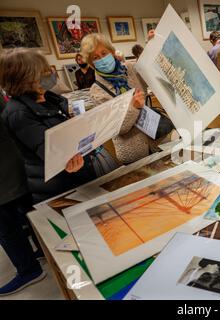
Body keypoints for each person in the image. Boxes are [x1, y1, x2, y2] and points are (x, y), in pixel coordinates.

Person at [0, 48, 99, 204]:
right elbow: (54, 153)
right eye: (42, 73)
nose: (49, 75)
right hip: (59, 190)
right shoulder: (18, 112)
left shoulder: (50, 97)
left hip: (81, 179)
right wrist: (68, 159)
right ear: (23, 79)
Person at [80, 33, 174, 164]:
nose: (102, 59)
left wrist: (152, 44)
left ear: (112, 52)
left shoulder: (129, 69)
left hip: (158, 139)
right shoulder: (97, 91)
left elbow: (153, 72)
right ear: (91, 63)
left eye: (104, 53)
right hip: (134, 153)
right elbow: (117, 128)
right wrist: (134, 107)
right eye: (96, 57)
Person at [0, 117, 46, 296]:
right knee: (30, 212)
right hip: (14, 162)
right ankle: (43, 251)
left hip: (5, 176)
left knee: (7, 228)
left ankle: (29, 270)